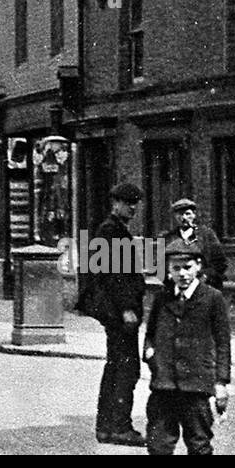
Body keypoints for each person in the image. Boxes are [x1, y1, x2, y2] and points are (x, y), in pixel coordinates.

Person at [143, 240, 230, 455]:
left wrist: (221, 381)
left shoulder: (213, 298)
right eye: (175, 268)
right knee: (158, 445)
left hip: (196, 385)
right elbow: (150, 333)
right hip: (164, 385)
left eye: (187, 267)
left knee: (199, 444)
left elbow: (223, 343)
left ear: (198, 266)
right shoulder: (162, 298)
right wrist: (149, 354)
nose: (182, 273)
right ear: (168, 270)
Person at [79, 182, 147, 447]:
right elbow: (114, 276)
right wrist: (127, 308)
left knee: (115, 367)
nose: (132, 208)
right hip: (121, 314)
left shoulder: (113, 230)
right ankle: (119, 427)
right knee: (126, 369)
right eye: (128, 202)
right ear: (115, 203)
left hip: (117, 313)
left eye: (135, 203)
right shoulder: (111, 231)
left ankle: (106, 427)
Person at [161, 198, 229, 290]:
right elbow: (161, 264)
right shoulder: (169, 238)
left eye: (188, 214)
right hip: (177, 286)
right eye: (180, 214)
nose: (184, 218)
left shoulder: (207, 235)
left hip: (205, 286)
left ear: (194, 215)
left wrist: (205, 276)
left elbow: (221, 262)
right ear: (175, 216)